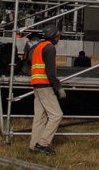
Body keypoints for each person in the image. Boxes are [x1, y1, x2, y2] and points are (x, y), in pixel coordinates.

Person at [29, 25, 66, 156]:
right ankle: (42, 144)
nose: (59, 38)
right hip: (45, 86)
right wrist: (58, 87)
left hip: (36, 85)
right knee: (56, 115)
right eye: (57, 35)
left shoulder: (38, 47)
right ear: (52, 36)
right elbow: (50, 72)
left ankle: (33, 146)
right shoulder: (50, 48)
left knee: (40, 117)